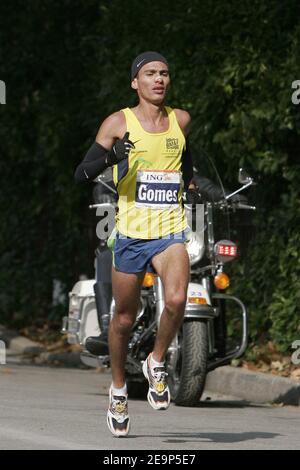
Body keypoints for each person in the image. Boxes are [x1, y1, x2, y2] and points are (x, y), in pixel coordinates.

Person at [74, 51, 194, 437]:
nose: (158, 79)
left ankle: (156, 361)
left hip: (171, 229)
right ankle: (119, 390)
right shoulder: (118, 122)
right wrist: (111, 156)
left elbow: (182, 160)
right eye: (149, 74)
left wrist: (189, 186)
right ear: (135, 83)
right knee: (123, 319)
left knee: (177, 300)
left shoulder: (181, 120)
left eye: (164, 73)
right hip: (130, 233)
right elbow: (81, 173)